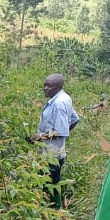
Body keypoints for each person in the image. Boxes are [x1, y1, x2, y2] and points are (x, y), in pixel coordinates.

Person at [35, 73, 80, 208]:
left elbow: (60, 131)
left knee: (49, 186)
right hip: (56, 151)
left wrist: (39, 138)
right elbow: (75, 119)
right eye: (45, 85)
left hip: (51, 154)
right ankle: (55, 214)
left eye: (49, 86)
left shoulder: (59, 103)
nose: (45, 88)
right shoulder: (63, 98)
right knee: (53, 183)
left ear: (59, 87)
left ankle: (53, 214)